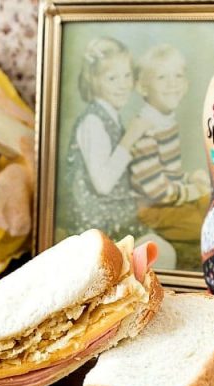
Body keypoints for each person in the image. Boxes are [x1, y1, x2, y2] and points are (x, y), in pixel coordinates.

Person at [57, 36, 152, 241]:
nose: (123, 85)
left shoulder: (111, 117)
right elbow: (103, 184)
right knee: (162, 251)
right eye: (112, 78)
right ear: (94, 80)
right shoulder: (93, 121)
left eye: (127, 75)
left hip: (116, 216)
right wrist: (130, 137)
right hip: (97, 226)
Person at [127, 44, 210, 266]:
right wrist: (193, 190)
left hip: (170, 199)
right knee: (206, 227)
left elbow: (169, 173)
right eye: (162, 77)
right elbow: (157, 191)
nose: (173, 83)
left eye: (178, 75)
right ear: (143, 88)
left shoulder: (165, 121)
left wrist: (190, 179)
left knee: (212, 205)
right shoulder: (145, 130)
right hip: (153, 210)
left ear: (186, 83)